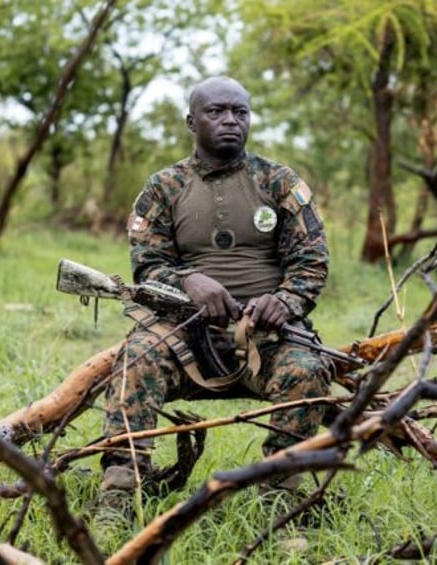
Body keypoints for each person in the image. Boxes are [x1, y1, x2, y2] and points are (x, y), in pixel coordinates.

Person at [99, 76, 331, 499]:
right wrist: (188, 281)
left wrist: (284, 300)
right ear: (192, 122)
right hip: (185, 333)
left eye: (240, 112)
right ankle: (118, 494)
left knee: (307, 370)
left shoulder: (278, 182)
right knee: (137, 356)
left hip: (267, 337)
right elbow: (147, 268)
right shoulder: (163, 188)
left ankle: (283, 497)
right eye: (216, 111)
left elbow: (311, 262)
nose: (230, 121)